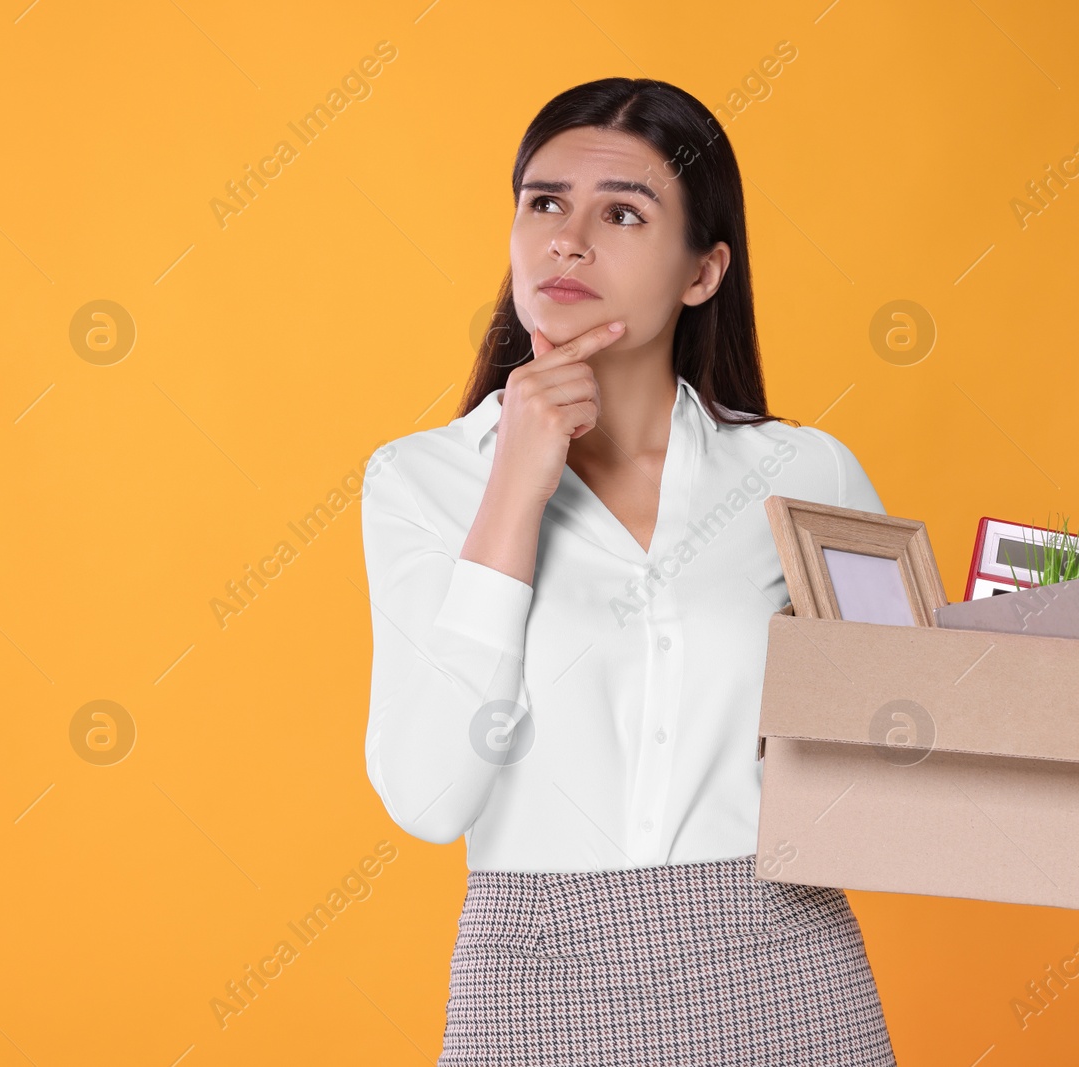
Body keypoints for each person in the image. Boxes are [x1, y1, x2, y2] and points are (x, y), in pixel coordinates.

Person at [360, 77, 898, 1064]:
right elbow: (428, 797)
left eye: (621, 211)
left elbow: (920, 749)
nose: (567, 238)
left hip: (788, 977)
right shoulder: (422, 481)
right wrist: (516, 488)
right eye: (543, 201)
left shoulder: (804, 474)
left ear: (703, 270)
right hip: (533, 985)